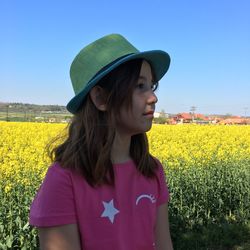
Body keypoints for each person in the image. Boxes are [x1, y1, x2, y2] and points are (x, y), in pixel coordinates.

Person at [29, 33, 173, 250]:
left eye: (152, 86)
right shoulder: (64, 182)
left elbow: (164, 245)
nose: (153, 97)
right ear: (101, 98)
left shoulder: (152, 171)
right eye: (139, 85)